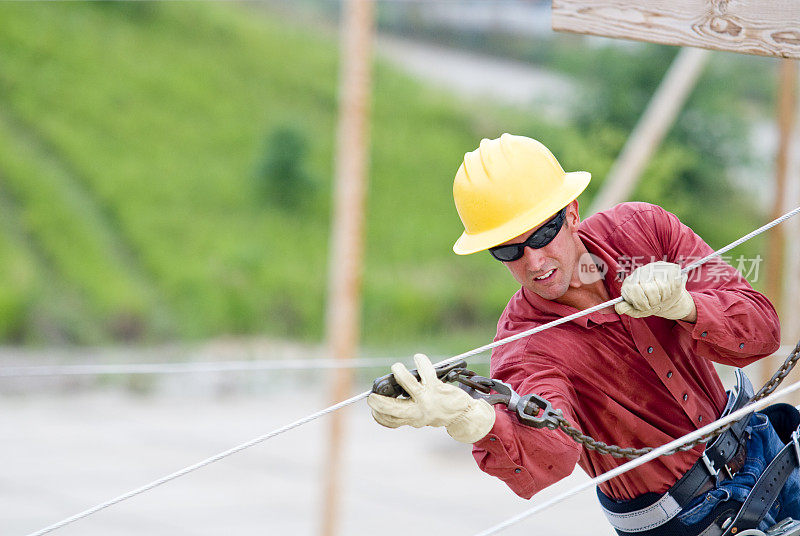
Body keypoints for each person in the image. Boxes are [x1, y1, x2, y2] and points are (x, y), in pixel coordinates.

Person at [367, 134, 800, 536]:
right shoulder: (526, 345)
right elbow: (547, 459)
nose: (534, 262)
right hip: (688, 522)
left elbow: (762, 331)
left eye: (542, 233)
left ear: (571, 212)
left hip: (767, 452)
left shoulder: (645, 230)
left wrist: (686, 307)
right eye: (508, 250)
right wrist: (474, 421)